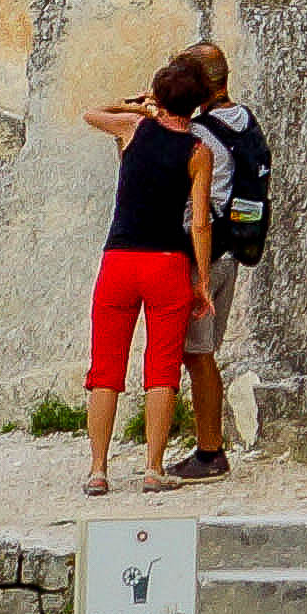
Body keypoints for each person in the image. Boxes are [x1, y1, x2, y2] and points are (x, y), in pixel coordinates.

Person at [74, 54, 218, 498]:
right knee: (160, 369)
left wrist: (139, 107)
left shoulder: (132, 130)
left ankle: (98, 469)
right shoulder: (199, 151)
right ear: (197, 104)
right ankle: (153, 468)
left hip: (119, 258)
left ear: (158, 94)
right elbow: (199, 222)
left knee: (105, 368)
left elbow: (91, 112)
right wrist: (202, 281)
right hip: (166, 262)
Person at [159, 43, 270, 480]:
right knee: (201, 351)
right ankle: (207, 448)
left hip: (203, 254)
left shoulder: (200, 134)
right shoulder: (244, 121)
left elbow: (190, 201)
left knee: (198, 354)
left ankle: (210, 452)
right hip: (234, 250)